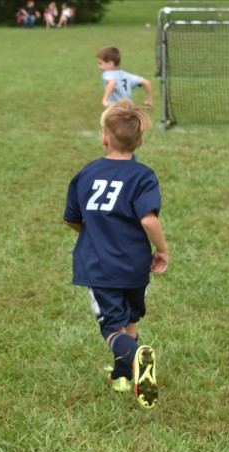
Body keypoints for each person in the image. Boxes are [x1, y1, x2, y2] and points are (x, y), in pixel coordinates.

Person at [63, 100, 167, 409]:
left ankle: (134, 358)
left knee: (112, 326)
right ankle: (123, 376)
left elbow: (72, 218)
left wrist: (92, 231)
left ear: (104, 138)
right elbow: (148, 218)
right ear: (140, 141)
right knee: (129, 317)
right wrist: (161, 249)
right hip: (135, 265)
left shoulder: (87, 173)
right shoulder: (143, 175)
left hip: (99, 266)